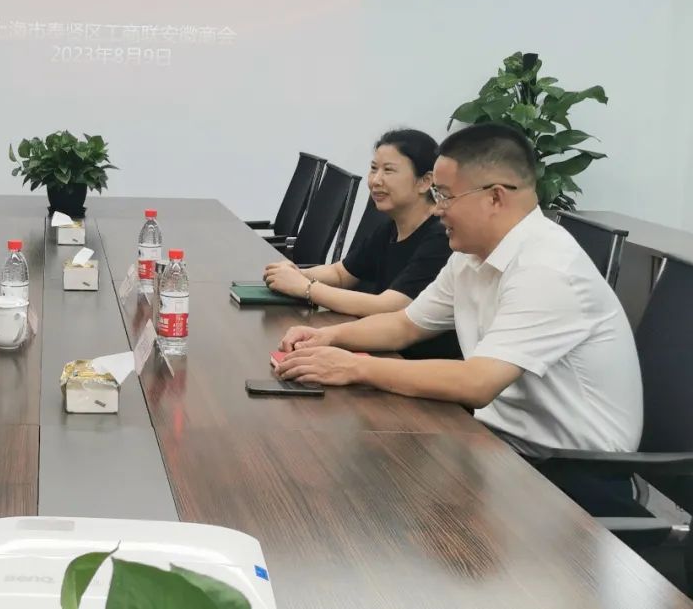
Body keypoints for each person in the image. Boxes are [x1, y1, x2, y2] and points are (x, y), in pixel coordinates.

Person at [275, 123, 643, 515]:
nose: (437, 209)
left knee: (370, 503)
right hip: (498, 446)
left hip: (571, 479)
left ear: (495, 197)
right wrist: (328, 338)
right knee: (355, 481)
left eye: (445, 196)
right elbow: (404, 325)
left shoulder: (548, 269)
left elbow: (477, 382)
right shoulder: (470, 257)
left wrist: (354, 367)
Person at [263, 129, 460, 359]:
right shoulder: (390, 226)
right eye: (374, 169)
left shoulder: (441, 237)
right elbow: (341, 274)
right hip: (380, 347)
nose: (375, 180)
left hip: (414, 361)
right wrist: (295, 274)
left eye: (388, 170)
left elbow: (388, 306)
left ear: (425, 181)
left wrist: (306, 288)